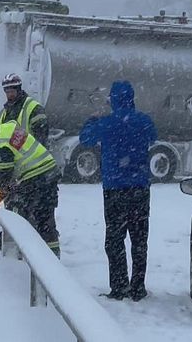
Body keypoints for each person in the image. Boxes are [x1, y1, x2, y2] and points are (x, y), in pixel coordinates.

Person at [79, 81, 157, 301]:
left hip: (114, 190)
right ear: (132, 99)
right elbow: (154, 136)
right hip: (140, 188)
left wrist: (92, 119)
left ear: (112, 100)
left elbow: (85, 139)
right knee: (139, 240)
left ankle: (119, 287)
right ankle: (138, 288)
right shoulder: (144, 121)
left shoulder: (105, 123)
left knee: (115, 239)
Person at [0, 121, 61, 256]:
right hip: (48, 171)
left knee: (24, 213)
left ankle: (26, 251)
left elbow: (3, 180)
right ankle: (51, 254)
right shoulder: (7, 127)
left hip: (37, 177)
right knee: (45, 218)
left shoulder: (0, 146)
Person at [0, 73, 49, 145]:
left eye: (12, 91)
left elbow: (41, 136)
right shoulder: (3, 113)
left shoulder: (34, 108)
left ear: (19, 90)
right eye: (7, 92)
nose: (9, 95)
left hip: (29, 154)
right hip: (13, 154)